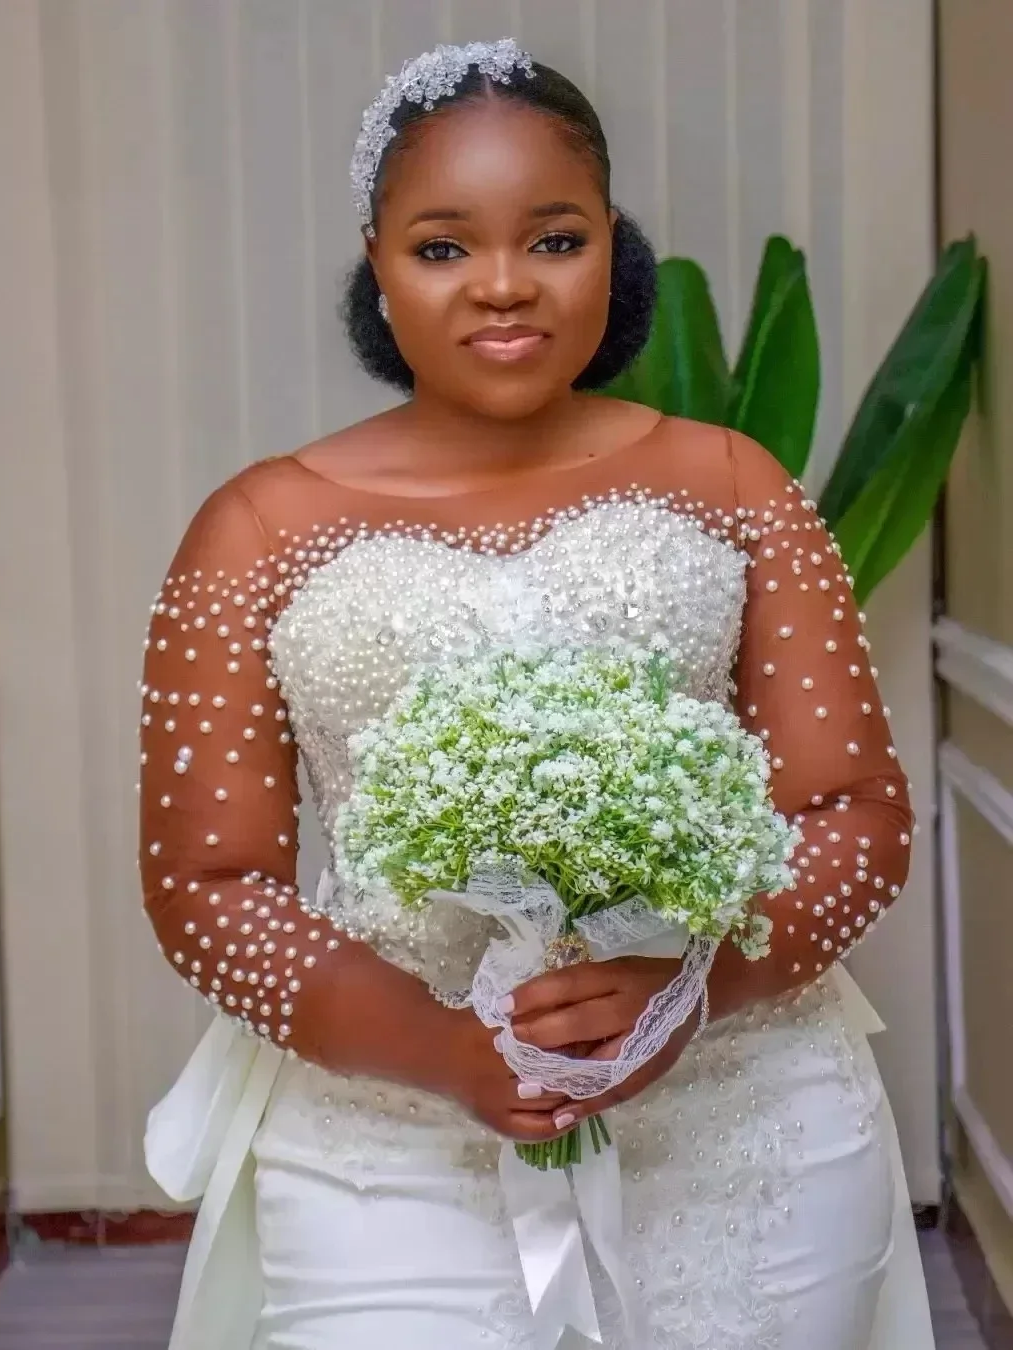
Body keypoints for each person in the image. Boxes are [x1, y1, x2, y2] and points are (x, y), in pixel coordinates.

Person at [139, 40, 935, 1350]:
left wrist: (689, 991)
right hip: (388, 1125)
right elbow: (209, 889)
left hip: (747, 1108)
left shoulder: (734, 484)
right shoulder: (253, 526)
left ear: (610, 247)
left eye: (552, 237)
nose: (502, 285)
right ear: (377, 263)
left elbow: (855, 810)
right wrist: (454, 1050)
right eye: (443, 247)